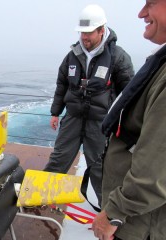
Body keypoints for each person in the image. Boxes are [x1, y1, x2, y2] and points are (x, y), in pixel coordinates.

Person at [43, 4, 134, 204]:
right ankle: (40, 197)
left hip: (100, 124)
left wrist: (124, 123)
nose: (84, 38)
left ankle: (107, 213)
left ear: (102, 30)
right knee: (58, 159)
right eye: (82, 33)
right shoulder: (72, 56)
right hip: (73, 119)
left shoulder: (118, 57)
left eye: (89, 33)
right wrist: (55, 112)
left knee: (100, 169)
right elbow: (62, 85)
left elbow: (129, 94)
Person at [92, 1, 166, 239]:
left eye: (151, 3)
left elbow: (156, 166)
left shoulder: (119, 58)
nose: (141, 13)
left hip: (139, 225)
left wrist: (114, 212)